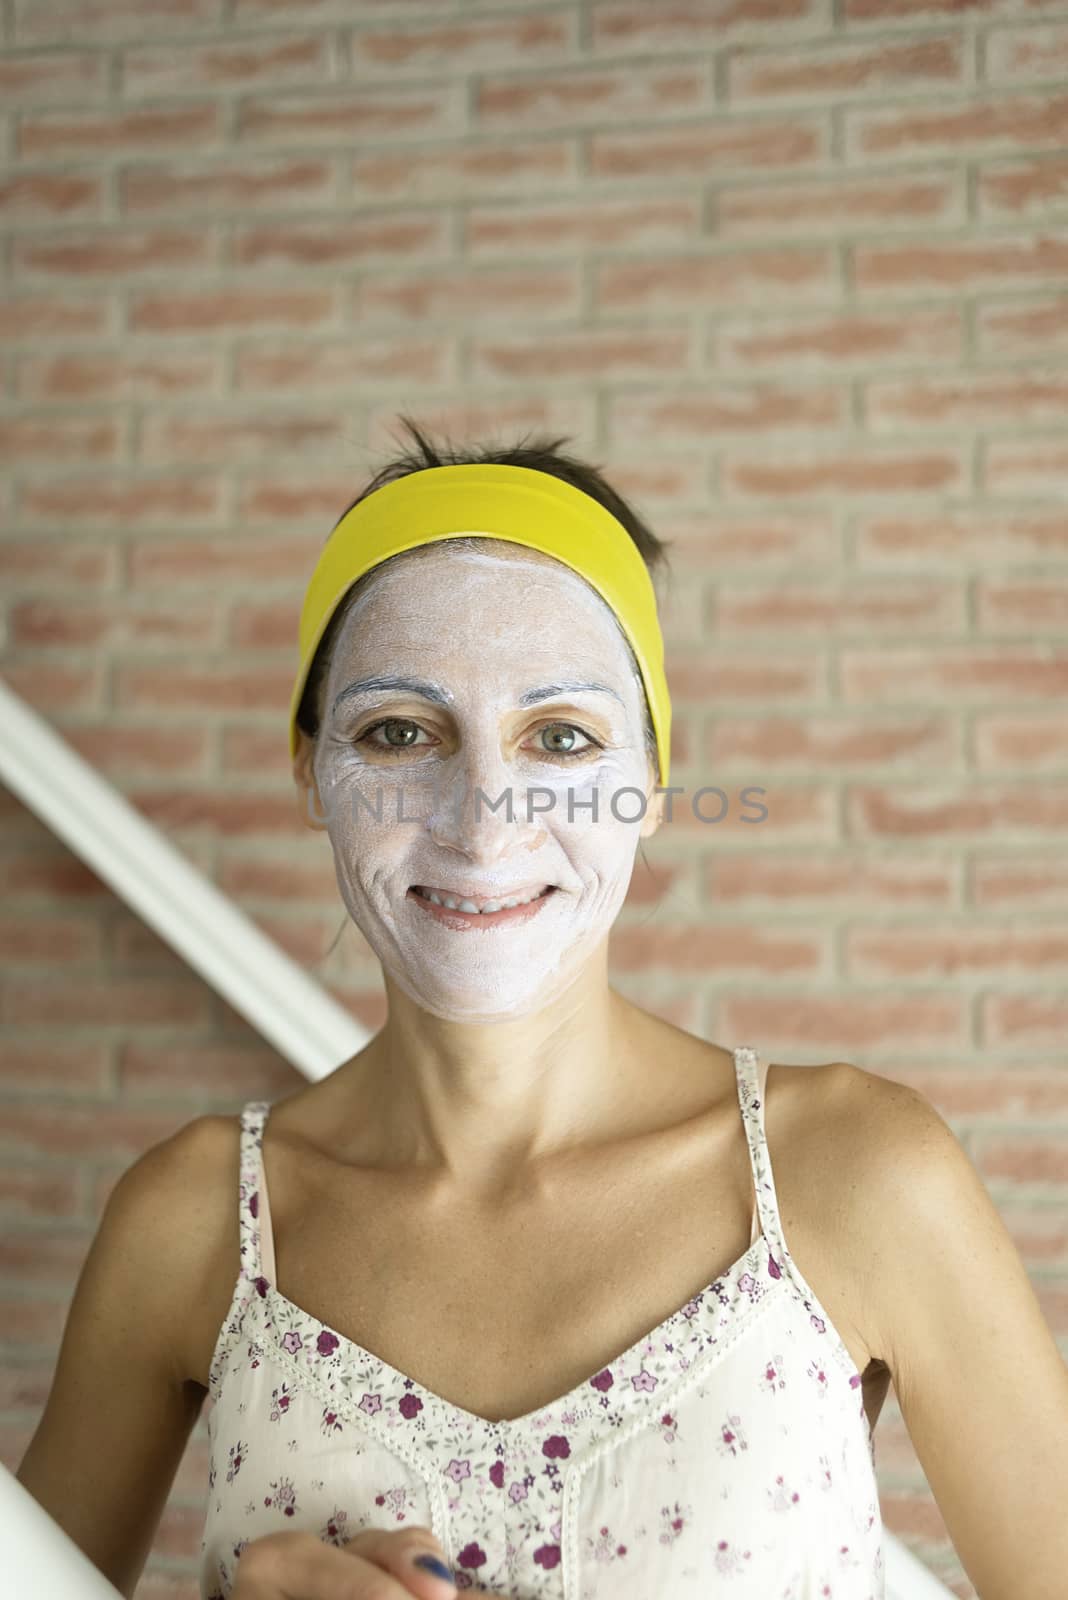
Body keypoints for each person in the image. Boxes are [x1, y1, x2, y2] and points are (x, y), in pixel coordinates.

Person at [200, 419, 886, 1598]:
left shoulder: (857, 1173)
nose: (481, 818)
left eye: (561, 735)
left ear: (652, 782)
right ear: (309, 768)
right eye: (399, 733)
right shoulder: (194, 1222)